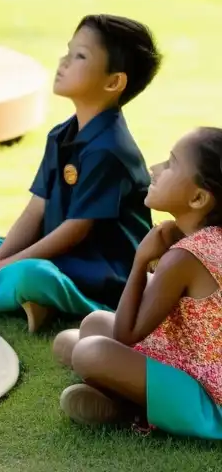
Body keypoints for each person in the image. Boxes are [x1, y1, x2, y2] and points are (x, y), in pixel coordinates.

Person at [0, 15, 162, 332]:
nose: (64, 61)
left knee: (30, 274)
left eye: (80, 56)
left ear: (113, 82)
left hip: (99, 273)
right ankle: (19, 295)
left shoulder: (109, 150)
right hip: (56, 258)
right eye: (68, 51)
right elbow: (36, 208)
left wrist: (6, 264)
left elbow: (75, 231)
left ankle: (73, 305)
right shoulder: (61, 135)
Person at [52, 128, 222, 438]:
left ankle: (126, 407)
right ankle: (118, 399)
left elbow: (126, 335)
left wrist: (140, 261)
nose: (155, 169)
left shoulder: (184, 257)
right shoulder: (207, 240)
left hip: (209, 398)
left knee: (89, 351)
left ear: (198, 197)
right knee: (90, 325)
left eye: (170, 164)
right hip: (195, 361)